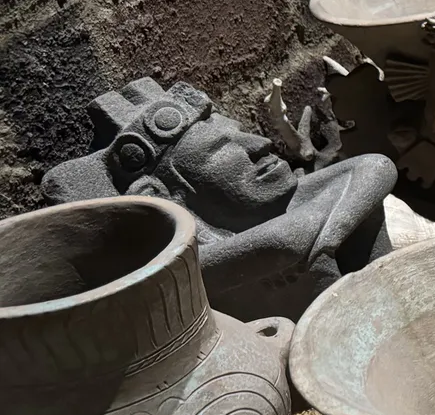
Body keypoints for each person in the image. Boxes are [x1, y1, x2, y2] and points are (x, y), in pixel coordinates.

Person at [41, 78, 397, 320]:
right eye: (222, 149)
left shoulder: (281, 209)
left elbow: (374, 167)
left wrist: (323, 236)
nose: (260, 144)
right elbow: (284, 242)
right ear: (161, 196)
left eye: (242, 135)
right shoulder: (191, 268)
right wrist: (326, 228)